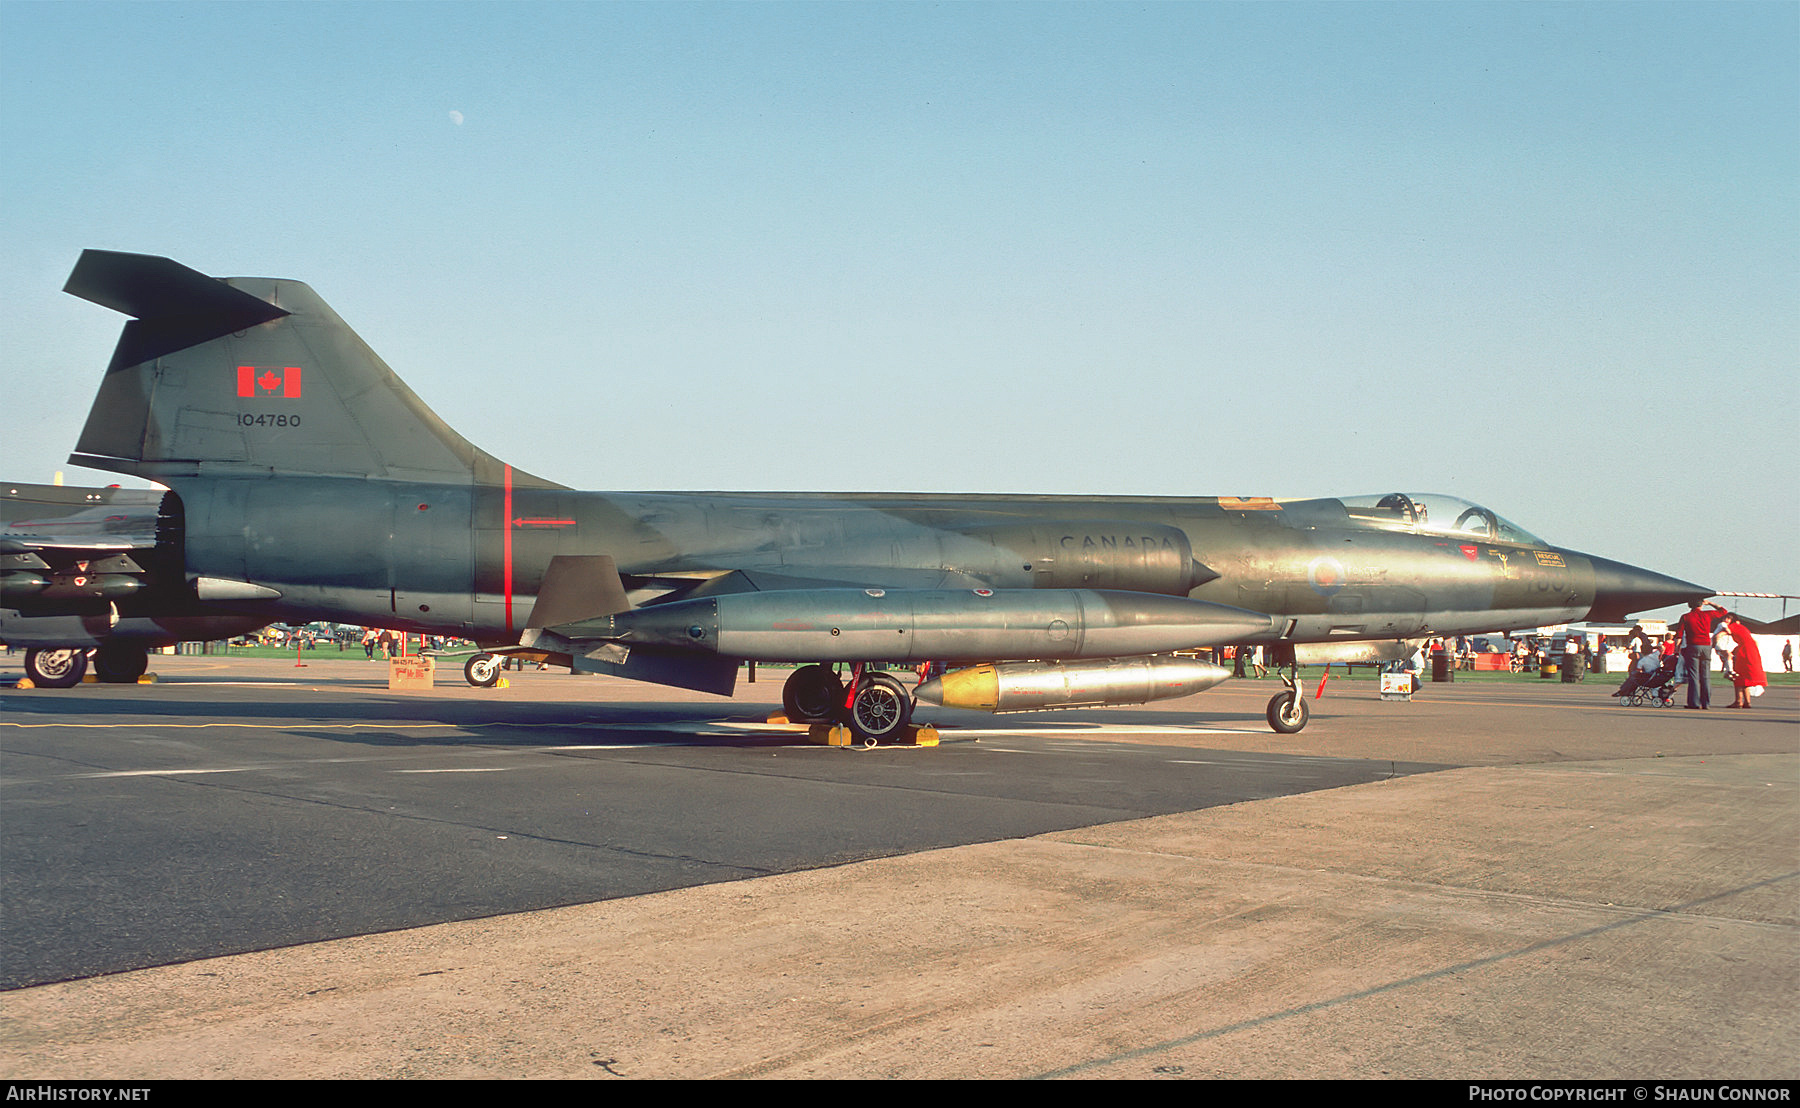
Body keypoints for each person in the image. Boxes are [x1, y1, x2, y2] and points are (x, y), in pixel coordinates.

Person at [1674, 599, 1727, 709]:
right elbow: (1723, 611)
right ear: (1701, 605)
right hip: (1706, 646)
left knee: (1694, 676)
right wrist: (1711, 603)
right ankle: (1706, 703)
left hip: (1693, 646)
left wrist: (1676, 649)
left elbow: (1679, 635)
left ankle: (1694, 703)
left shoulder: (1685, 617)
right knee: (1705, 676)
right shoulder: (1707, 615)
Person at [1724, 614, 1766, 708]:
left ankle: (1738, 701)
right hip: (1751, 650)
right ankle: (1747, 702)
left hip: (1745, 652)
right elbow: (1754, 642)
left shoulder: (1732, 626)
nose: (1725, 620)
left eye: (1728, 618)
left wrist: (1715, 640)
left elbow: (1722, 633)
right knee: (1745, 676)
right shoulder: (1742, 628)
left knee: (1738, 675)